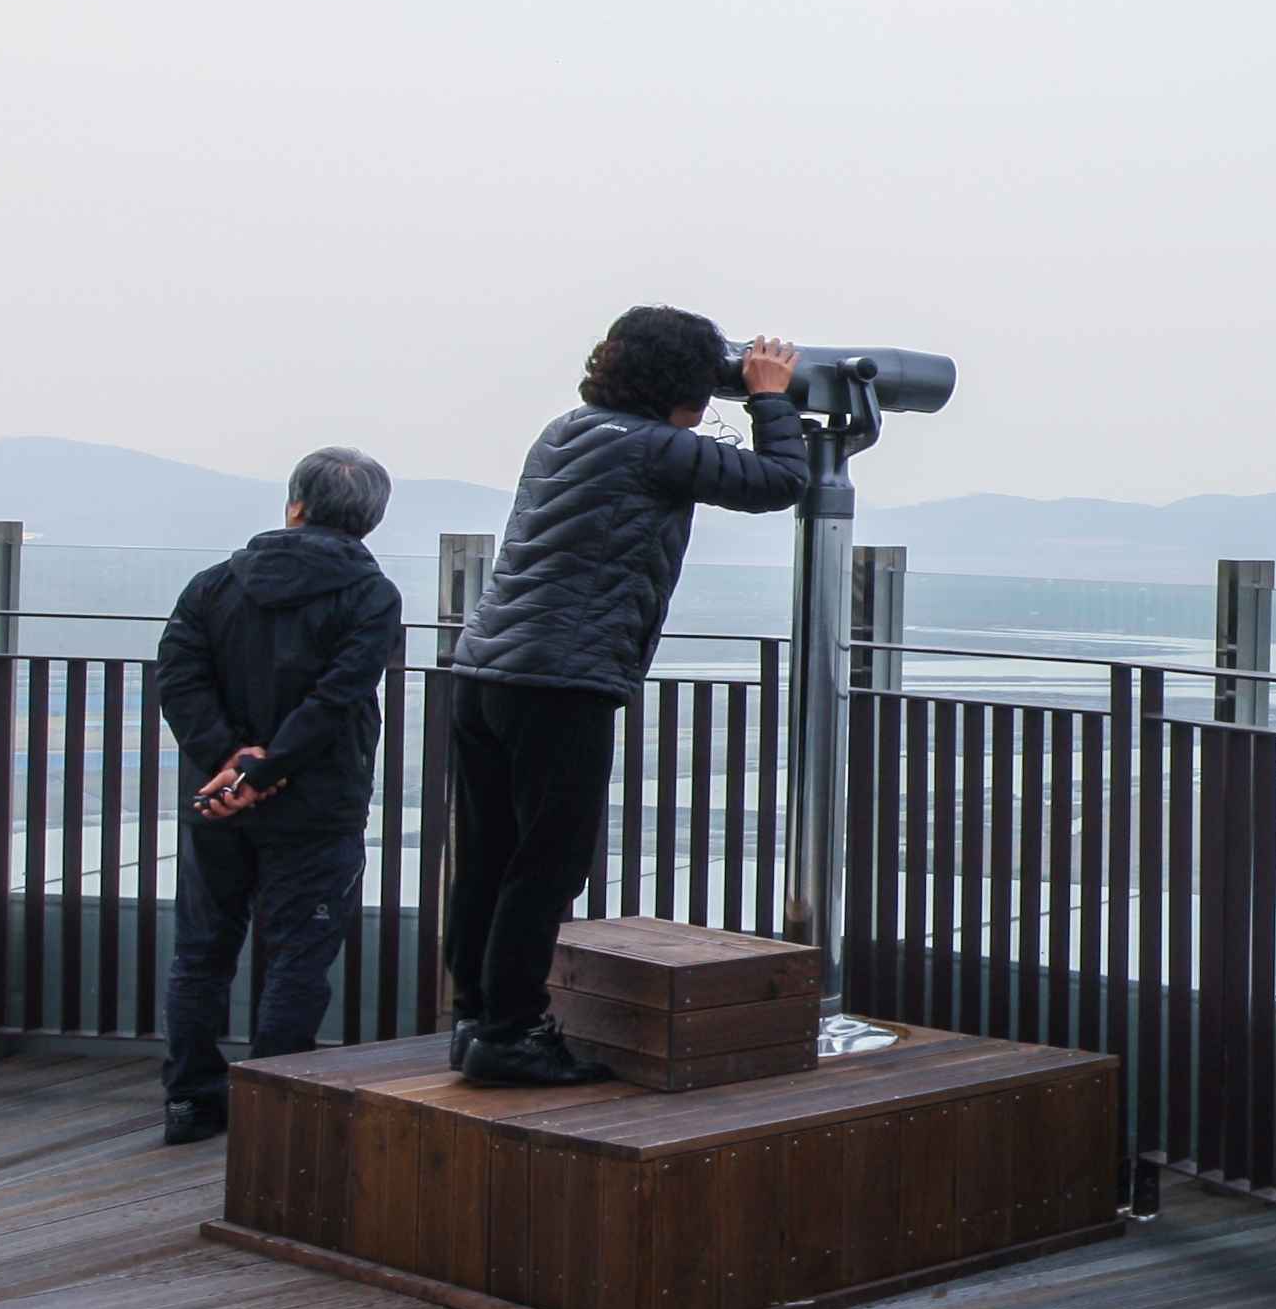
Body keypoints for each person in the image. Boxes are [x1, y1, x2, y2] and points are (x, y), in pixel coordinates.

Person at [439, 308, 812, 1083]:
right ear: (683, 381)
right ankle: (510, 1034)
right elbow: (780, 482)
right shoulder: (654, 448)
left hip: (484, 671)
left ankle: (475, 1019)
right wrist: (769, 397)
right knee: (548, 863)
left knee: (488, 856)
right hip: (559, 681)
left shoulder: (567, 430)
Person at [152, 447, 406, 1144]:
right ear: (370, 520)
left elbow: (178, 676)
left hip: (219, 798)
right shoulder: (372, 596)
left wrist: (230, 764)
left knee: (202, 952)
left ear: (295, 506)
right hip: (319, 804)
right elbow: (338, 697)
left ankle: (190, 1100)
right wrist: (269, 768)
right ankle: (272, 1110)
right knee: (299, 956)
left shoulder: (213, 585)